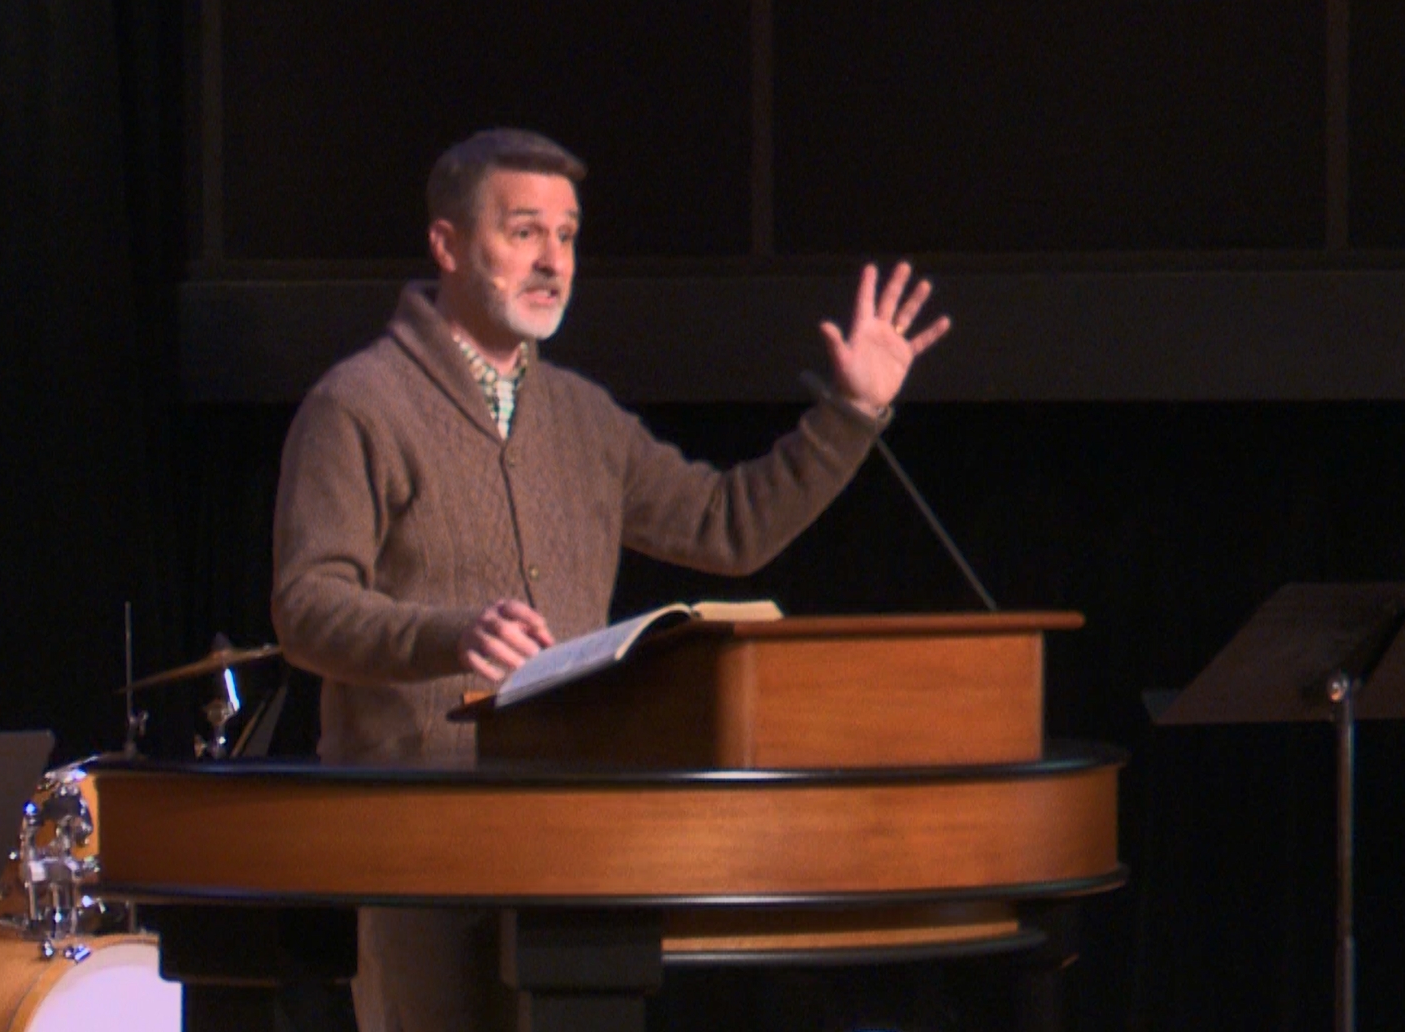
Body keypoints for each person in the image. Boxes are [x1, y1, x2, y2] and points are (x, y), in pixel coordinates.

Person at [270, 128, 948, 1031]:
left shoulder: (583, 418)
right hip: (418, 837)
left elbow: (727, 526)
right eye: (523, 232)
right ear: (447, 245)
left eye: (569, 234)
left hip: (575, 835)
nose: (554, 260)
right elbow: (305, 605)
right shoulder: (359, 404)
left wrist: (853, 413)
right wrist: (447, 633)